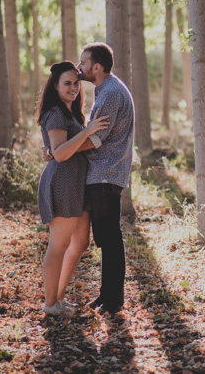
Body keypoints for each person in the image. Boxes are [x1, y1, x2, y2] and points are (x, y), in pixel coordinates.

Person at [35, 61, 109, 316]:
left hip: (79, 184)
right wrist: (88, 131)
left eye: (76, 83)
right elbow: (60, 154)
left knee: (80, 243)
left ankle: (58, 297)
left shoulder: (71, 113)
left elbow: (66, 148)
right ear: (55, 86)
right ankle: (50, 303)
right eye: (67, 83)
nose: (73, 88)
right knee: (59, 244)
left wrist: (89, 135)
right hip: (63, 182)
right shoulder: (56, 113)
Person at [77, 42, 136, 316]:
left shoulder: (110, 93)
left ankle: (113, 300)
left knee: (110, 239)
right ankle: (106, 296)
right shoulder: (106, 89)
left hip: (105, 173)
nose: (80, 68)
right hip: (104, 173)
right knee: (107, 239)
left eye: (83, 63)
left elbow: (95, 140)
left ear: (96, 67)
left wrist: (61, 152)